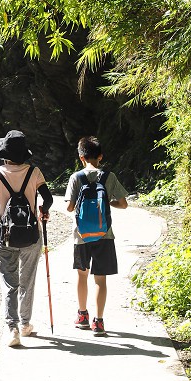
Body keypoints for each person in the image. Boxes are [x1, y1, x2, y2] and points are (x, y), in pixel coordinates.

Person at [0, 130, 53, 347]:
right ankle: (25, 324)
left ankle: (12, 328)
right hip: (31, 235)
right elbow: (48, 198)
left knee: (9, 282)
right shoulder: (34, 172)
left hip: (5, 237)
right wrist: (43, 210)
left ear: (4, 153)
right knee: (27, 281)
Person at [65, 135, 128, 336]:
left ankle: (82, 315)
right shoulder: (109, 177)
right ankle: (99, 322)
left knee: (82, 275)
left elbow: (69, 207)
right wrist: (108, 203)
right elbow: (124, 203)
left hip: (81, 236)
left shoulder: (76, 177)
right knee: (100, 280)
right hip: (105, 235)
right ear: (100, 157)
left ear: (81, 157)